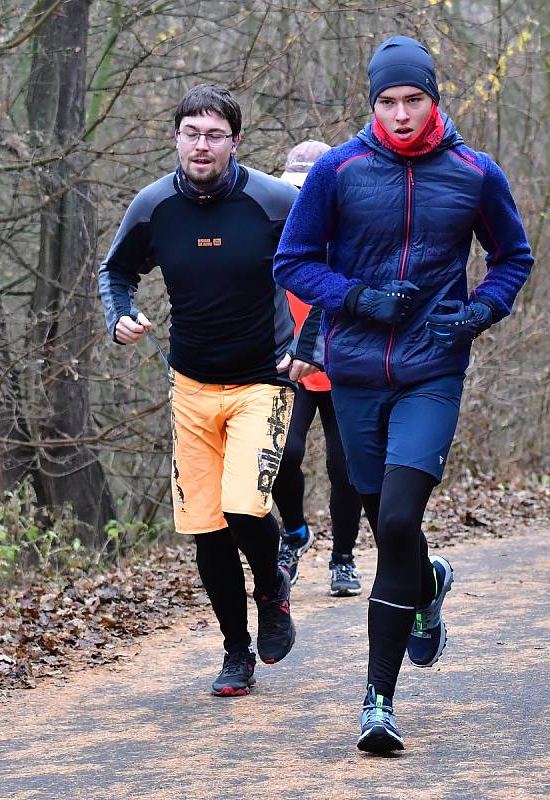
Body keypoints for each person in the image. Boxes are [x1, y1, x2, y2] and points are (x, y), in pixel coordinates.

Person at [274, 36, 533, 752]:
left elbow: (514, 258)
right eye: (386, 101)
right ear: (372, 103)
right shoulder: (338, 170)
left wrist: (479, 311)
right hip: (354, 371)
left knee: (393, 522)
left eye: (412, 99)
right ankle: (428, 585)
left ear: (433, 98)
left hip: (431, 371)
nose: (399, 113)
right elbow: (292, 261)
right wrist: (357, 297)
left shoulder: (475, 174)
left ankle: (377, 702)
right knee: (376, 504)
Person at [99, 84, 323, 698]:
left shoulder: (274, 201)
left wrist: (311, 345)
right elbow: (115, 271)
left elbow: (326, 271)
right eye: (192, 133)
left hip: (264, 380)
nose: (202, 145)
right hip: (190, 385)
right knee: (205, 525)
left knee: (244, 505)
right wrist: (118, 313)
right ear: (176, 138)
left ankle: (272, 590)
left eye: (214, 135)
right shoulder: (153, 207)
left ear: (235, 142)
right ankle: (236, 653)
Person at [273, 140, 363, 597]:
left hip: (343, 365)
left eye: (309, 188)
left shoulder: (352, 237)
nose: (301, 198)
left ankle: (343, 559)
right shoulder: (277, 234)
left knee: (344, 466)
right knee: (280, 455)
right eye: (294, 188)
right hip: (291, 366)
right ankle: (294, 533)